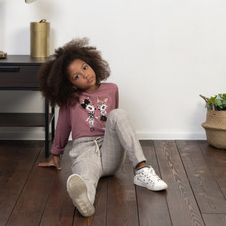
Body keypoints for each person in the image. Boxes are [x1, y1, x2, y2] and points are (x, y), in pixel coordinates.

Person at [38, 38, 167, 218]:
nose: (85, 75)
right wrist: (55, 154)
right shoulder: (70, 99)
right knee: (84, 179)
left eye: (84, 67)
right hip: (84, 151)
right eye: (76, 76)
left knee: (118, 114)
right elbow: (62, 126)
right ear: (71, 84)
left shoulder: (111, 89)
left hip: (109, 151)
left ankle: (141, 170)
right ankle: (85, 202)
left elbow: (118, 125)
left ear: (91, 63)